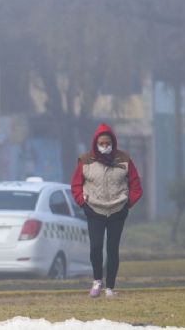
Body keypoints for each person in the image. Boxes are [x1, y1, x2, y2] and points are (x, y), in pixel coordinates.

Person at [71, 123, 143, 298]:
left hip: (117, 210)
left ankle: (110, 287)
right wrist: (82, 202)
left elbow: (136, 186)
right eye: (101, 143)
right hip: (94, 209)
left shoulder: (124, 160)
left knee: (112, 249)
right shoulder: (85, 160)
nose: (105, 146)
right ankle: (97, 281)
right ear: (96, 143)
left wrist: (128, 203)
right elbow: (75, 185)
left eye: (108, 143)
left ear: (113, 142)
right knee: (96, 247)